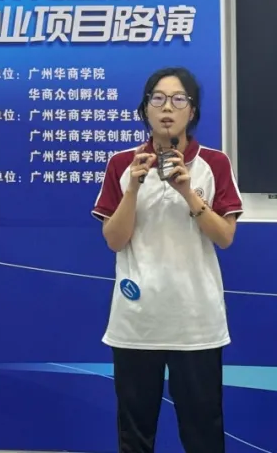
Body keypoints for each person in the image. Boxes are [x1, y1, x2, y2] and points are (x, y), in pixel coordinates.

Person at [91, 67, 242, 453]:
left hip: (196, 322)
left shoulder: (214, 163)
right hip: (136, 320)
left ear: (193, 110)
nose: (167, 108)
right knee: (135, 434)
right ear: (145, 109)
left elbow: (225, 237)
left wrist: (188, 193)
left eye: (178, 100)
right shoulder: (122, 163)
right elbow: (114, 240)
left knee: (203, 432)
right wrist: (133, 187)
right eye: (157, 99)